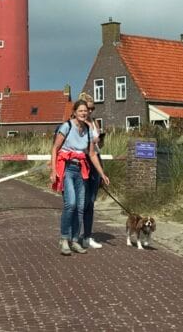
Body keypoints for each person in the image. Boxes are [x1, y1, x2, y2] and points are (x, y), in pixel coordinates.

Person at [50, 98, 110, 255]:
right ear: (75, 112)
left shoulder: (88, 131)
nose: (84, 113)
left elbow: (91, 154)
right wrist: (53, 170)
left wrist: (102, 173)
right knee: (71, 204)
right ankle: (64, 239)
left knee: (81, 207)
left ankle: (75, 240)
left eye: (86, 111)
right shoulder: (67, 126)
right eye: (81, 111)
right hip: (67, 169)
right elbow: (55, 148)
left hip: (81, 170)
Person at [78, 93, 106, 249]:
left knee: (91, 201)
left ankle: (87, 236)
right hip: (82, 162)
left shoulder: (95, 122)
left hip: (95, 161)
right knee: (79, 202)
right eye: (88, 108)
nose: (90, 112)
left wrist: (100, 141)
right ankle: (74, 235)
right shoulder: (77, 124)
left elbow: (98, 147)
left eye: (92, 108)